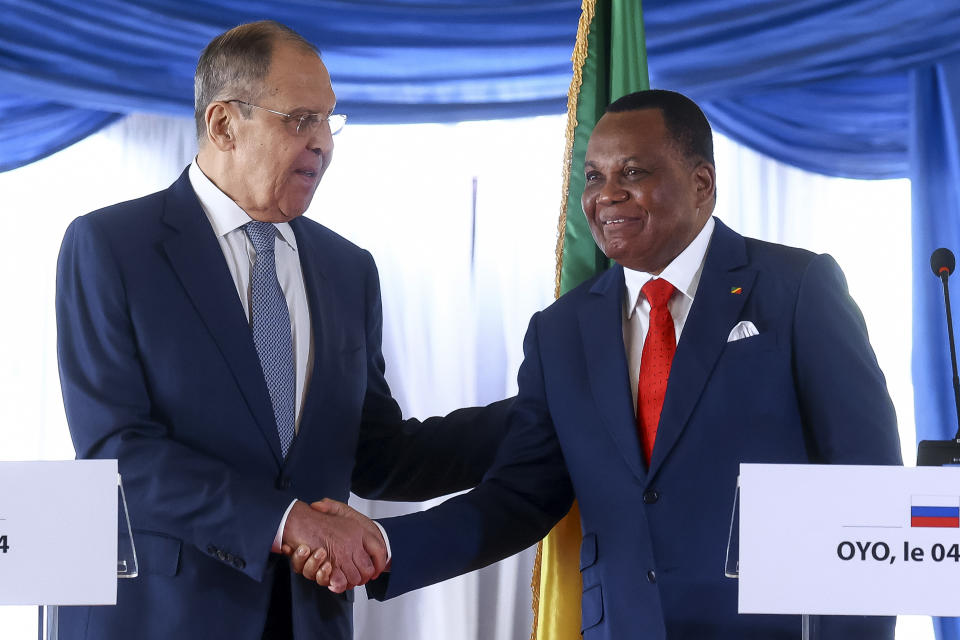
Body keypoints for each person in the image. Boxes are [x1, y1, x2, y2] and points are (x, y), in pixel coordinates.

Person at [293, 90, 903, 639]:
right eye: (594, 175)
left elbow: (872, 493)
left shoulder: (796, 289)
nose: (606, 194)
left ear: (701, 182)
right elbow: (521, 495)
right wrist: (387, 545)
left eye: (633, 173)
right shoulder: (562, 331)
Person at [55, 20, 510, 640]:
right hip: (165, 619)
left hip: (308, 619)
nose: (323, 143)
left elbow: (376, 454)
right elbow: (116, 449)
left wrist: (540, 415)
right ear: (223, 125)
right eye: (299, 119)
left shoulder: (349, 270)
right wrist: (287, 521)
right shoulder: (111, 247)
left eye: (329, 120)